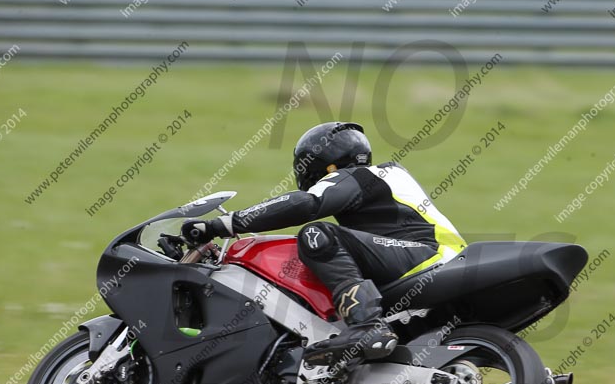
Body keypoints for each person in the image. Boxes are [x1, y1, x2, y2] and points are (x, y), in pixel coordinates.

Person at [182, 122, 466, 366]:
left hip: (429, 257)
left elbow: (306, 203)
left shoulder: (362, 175)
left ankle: (368, 326)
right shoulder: (386, 178)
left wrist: (222, 225)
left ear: (321, 163)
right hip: (429, 260)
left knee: (318, 235)